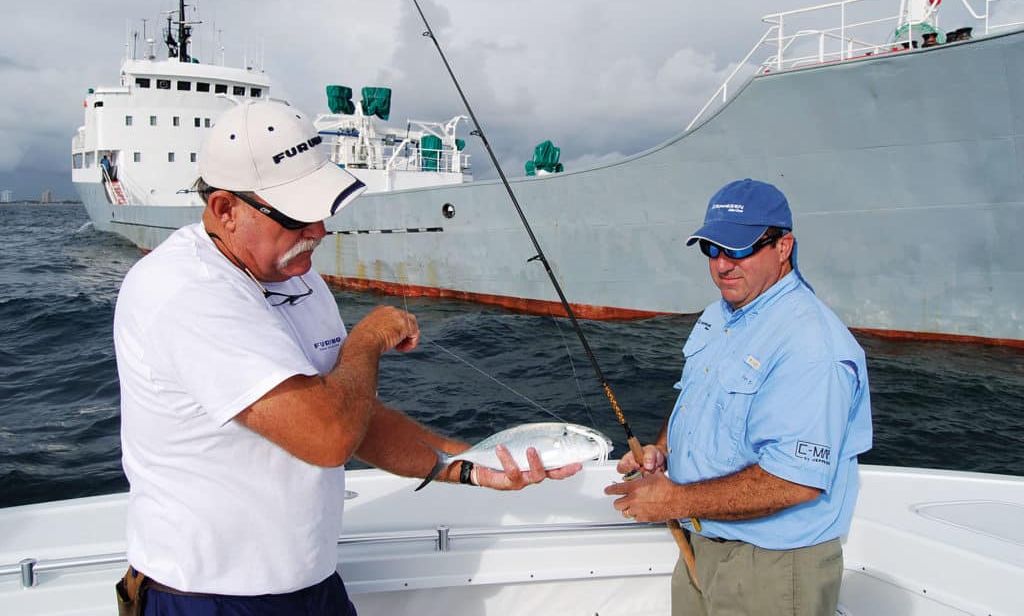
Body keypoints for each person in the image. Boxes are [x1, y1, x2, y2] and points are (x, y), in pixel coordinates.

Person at [113, 100, 580, 615]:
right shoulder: (184, 292)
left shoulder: (297, 276)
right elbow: (328, 436)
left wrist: (471, 467)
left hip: (313, 588)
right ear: (226, 209)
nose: (319, 231)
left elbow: (354, 415)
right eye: (296, 216)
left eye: (322, 210)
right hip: (206, 599)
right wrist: (366, 340)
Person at [604, 178, 871, 616]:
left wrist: (673, 501)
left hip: (771, 570)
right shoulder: (719, 314)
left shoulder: (811, 344)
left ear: (783, 247)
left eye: (739, 249)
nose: (722, 265)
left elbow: (795, 481)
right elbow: (697, 396)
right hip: (699, 543)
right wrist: (662, 452)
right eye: (712, 249)